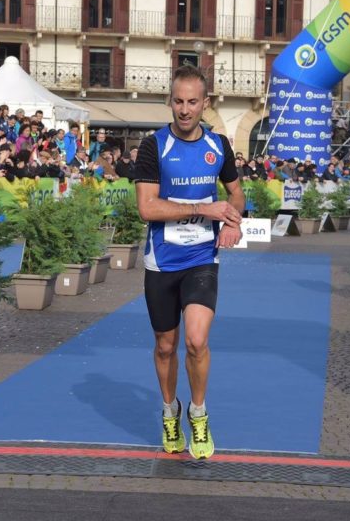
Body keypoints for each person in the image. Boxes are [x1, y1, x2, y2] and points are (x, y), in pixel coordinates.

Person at [134, 65, 244, 460]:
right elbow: (147, 208)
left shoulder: (219, 146)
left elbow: (237, 195)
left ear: (205, 103)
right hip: (162, 262)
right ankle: (170, 411)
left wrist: (232, 221)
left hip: (202, 258)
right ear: (170, 101)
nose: (184, 109)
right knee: (166, 347)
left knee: (197, 342)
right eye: (178, 101)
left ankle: (198, 413)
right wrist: (202, 207)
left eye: (192, 102)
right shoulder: (153, 146)